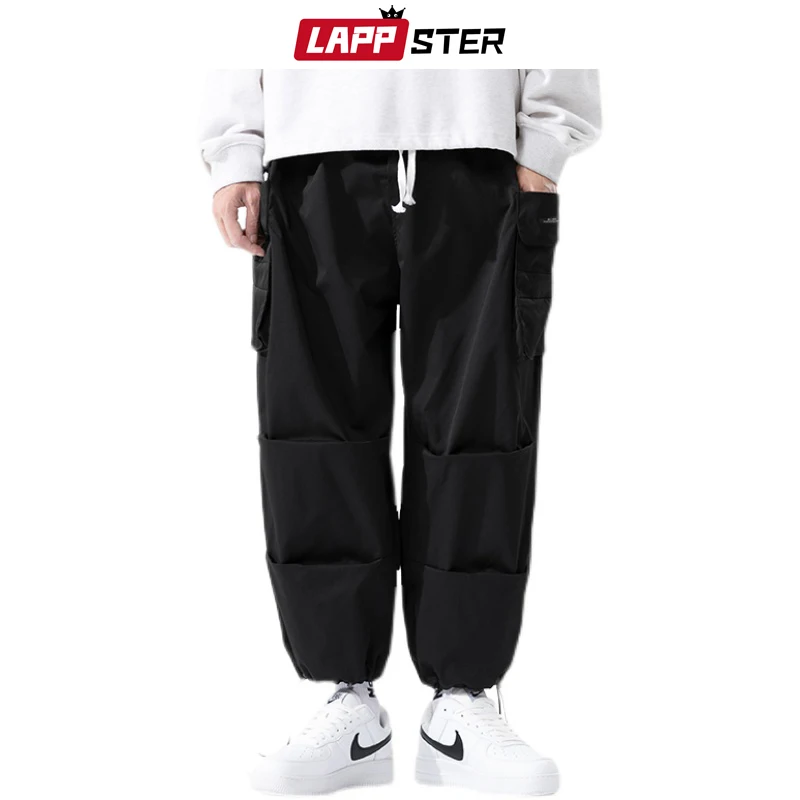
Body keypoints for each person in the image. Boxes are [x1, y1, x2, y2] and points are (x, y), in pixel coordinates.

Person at [200, 68, 600, 795]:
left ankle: (460, 707)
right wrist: (236, 147)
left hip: (477, 157)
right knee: (314, 434)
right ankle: (349, 705)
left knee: (478, 432)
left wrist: (546, 142)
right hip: (310, 156)